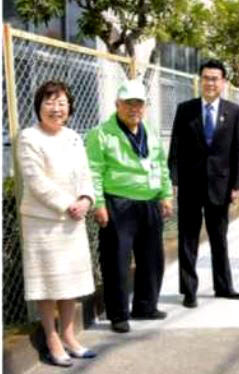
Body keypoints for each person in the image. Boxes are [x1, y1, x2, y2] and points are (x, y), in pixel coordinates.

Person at [17, 81, 97, 367]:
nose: (56, 108)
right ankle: (52, 339)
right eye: (49, 102)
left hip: (73, 220)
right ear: (39, 106)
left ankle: (69, 335)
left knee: (69, 283)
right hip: (44, 222)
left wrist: (86, 199)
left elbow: (86, 174)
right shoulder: (29, 137)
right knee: (49, 283)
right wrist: (68, 204)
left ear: (69, 108)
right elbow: (36, 180)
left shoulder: (74, 137)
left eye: (62, 103)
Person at [86, 79, 173, 334]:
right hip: (118, 203)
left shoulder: (151, 131)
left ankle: (146, 306)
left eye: (139, 104)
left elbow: (160, 165)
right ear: (117, 105)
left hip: (149, 202)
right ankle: (118, 314)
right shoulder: (101, 134)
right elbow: (93, 172)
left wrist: (165, 195)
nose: (134, 108)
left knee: (152, 258)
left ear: (144, 107)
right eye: (128, 103)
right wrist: (99, 204)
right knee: (117, 261)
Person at [168, 59, 239, 308]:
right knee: (187, 239)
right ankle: (189, 291)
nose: (210, 83)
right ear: (200, 81)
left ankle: (224, 286)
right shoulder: (185, 110)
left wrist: (237, 184)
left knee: (219, 238)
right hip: (190, 185)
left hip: (220, 187)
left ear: (223, 83)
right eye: (206, 78)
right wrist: (174, 179)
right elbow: (176, 147)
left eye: (215, 78)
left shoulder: (233, 111)